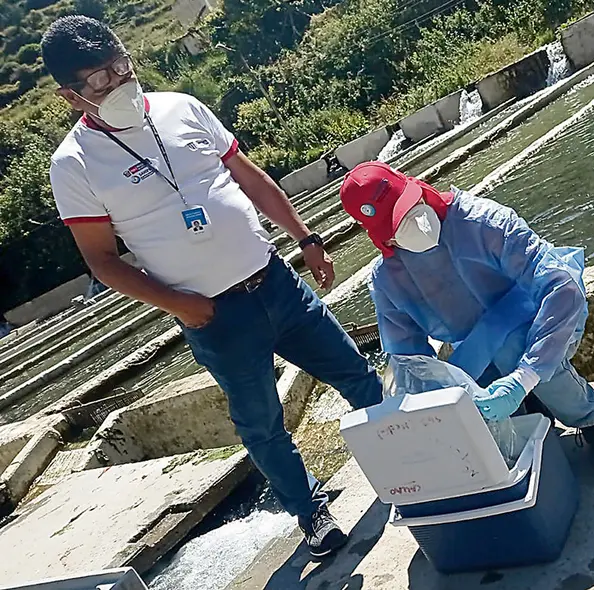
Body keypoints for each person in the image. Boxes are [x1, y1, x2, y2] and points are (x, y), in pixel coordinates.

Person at [41, 16, 381, 557]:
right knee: (263, 426)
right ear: (71, 95)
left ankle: (408, 456)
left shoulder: (181, 107)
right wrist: (183, 306)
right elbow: (102, 262)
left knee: (359, 376)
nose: (119, 81)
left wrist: (306, 237)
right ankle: (311, 511)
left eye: (121, 64)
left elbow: (247, 176)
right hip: (216, 317)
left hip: (276, 281)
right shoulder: (75, 164)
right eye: (99, 79)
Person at [341, 162, 594, 478]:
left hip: (542, 320)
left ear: (419, 188)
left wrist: (525, 376)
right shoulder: (388, 280)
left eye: (412, 205)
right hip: (477, 345)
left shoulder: (483, 221)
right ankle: (535, 411)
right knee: (462, 390)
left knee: (512, 349)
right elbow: (408, 359)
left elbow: (561, 287)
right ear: (382, 238)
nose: (417, 223)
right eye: (399, 223)